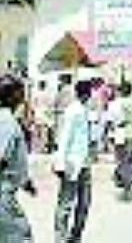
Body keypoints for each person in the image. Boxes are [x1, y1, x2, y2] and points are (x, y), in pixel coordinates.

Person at [53, 79, 94, 243]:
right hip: (71, 163)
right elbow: (64, 138)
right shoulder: (72, 111)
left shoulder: (84, 110)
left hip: (84, 162)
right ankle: (60, 238)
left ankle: (75, 235)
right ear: (86, 94)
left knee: (84, 203)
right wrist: (60, 163)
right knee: (66, 203)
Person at [0, 74, 36, 241]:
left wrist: (24, 181)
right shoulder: (6, 121)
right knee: (21, 236)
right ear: (13, 94)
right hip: (3, 198)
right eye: (21, 91)